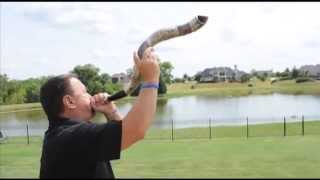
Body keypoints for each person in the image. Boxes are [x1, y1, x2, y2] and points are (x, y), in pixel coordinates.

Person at [39, 47, 160, 178]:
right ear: (69, 102)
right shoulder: (72, 137)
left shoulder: (63, 135)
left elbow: (123, 137)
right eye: (85, 92)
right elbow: (135, 130)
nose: (91, 96)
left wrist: (111, 111)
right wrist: (151, 79)